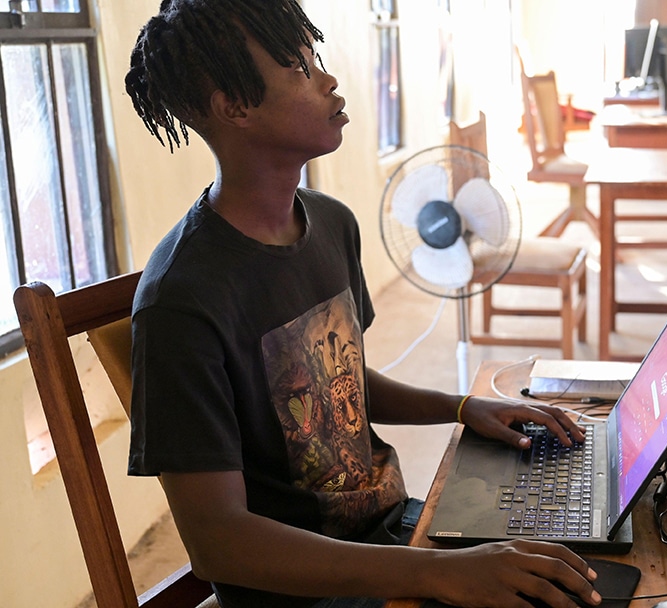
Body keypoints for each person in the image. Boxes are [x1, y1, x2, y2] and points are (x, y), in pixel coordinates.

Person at [124, 2, 599, 607]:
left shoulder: (331, 224)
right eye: (298, 67)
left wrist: (463, 407)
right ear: (234, 106)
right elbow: (219, 544)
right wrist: (438, 573)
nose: (327, 79)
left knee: (588, 562)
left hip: (394, 536)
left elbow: (339, 382)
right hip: (308, 590)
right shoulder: (180, 301)